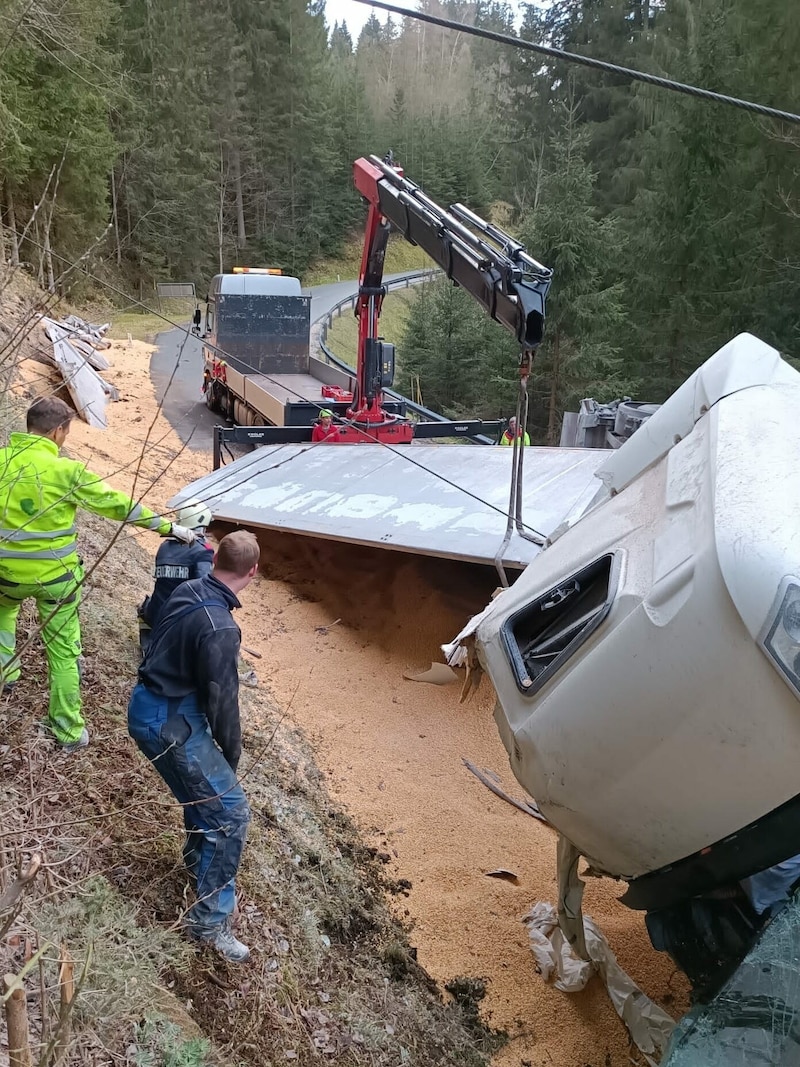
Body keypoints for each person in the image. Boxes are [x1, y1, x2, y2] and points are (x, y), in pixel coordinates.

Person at [0, 397, 196, 753]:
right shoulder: (67, 473)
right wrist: (169, 527)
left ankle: (6, 677)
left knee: (3, 618)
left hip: (4, 576)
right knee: (62, 653)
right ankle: (68, 731)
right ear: (59, 431)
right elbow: (117, 504)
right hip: (55, 582)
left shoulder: (2, 462)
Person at [127, 530, 260, 963]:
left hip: (148, 703)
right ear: (253, 572)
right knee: (231, 811)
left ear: (215, 558)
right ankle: (209, 922)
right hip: (171, 720)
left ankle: (196, 860)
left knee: (202, 791)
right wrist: (231, 755)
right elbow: (223, 701)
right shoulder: (222, 627)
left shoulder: (188, 589)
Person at [138, 498, 215, 651]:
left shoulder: (164, 547)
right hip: (179, 622)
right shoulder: (203, 550)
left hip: (155, 614)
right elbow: (204, 590)